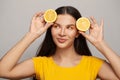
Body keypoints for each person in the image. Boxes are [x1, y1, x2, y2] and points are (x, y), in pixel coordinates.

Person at [0, 6, 120, 80]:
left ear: (78, 32)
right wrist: (31, 35)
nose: (62, 33)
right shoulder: (41, 64)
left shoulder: (93, 65)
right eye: (57, 26)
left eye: (69, 28)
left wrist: (100, 44)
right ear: (50, 28)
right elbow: (3, 71)